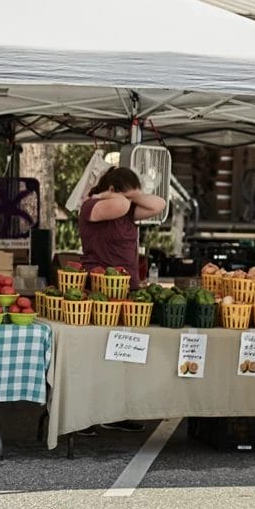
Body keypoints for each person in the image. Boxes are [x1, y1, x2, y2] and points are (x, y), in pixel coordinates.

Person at [77, 165, 166, 436]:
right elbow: (117, 204)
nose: (133, 199)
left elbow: (159, 204)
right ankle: (85, 415)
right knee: (95, 355)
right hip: (100, 290)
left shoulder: (127, 208)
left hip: (128, 291)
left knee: (123, 356)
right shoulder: (92, 206)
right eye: (128, 192)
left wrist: (133, 193)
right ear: (113, 189)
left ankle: (116, 412)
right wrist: (108, 193)